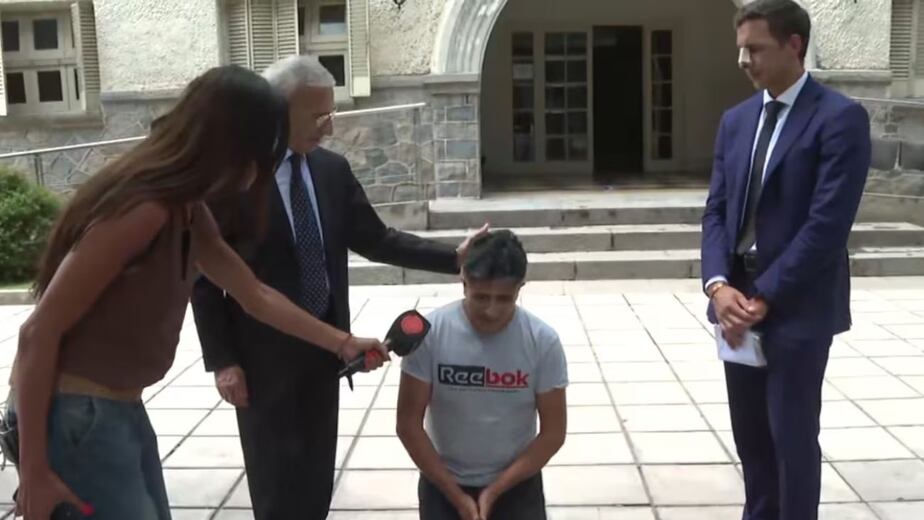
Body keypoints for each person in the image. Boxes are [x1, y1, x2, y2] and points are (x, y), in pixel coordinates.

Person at [9, 65, 388, 520]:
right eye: (263, 153)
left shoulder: (187, 209)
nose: (262, 171)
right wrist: (34, 469)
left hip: (119, 406)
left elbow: (255, 295)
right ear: (231, 146)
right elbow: (37, 333)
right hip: (80, 414)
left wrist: (342, 342)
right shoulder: (145, 208)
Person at [190, 55, 486, 520]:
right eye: (318, 116)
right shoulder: (236, 178)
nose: (329, 127)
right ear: (277, 112)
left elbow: (376, 239)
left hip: (327, 349)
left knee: (315, 477)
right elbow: (206, 280)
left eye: (331, 113)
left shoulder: (331, 170)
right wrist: (223, 360)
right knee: (274, 483)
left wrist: (453, 258)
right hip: (262, 359)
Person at [700, 1, 871, 519]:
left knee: (791, 438)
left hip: (798, 305)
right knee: (751, 440)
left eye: (755, 49)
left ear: (794, 45)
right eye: (740, 49)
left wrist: (767, 295)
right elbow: (716, 212)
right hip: (735, 303)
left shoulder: (839, 119)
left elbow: (827, 226)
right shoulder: (736, 121)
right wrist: (717, 286)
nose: (743, 60)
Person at [397, 230, 568, 520]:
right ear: (463, 281)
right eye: (480, 297)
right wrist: (456, 496)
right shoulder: (431, 334)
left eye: (504, 298)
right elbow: (408, 425)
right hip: (443, 479)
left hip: (516, 481)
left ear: (520, 287)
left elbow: (553, 433)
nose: (491, 310)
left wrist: (495, 490)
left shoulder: (542, 341)